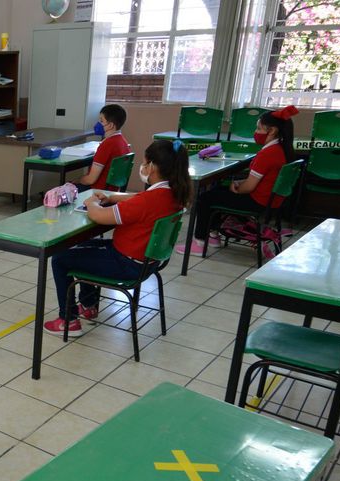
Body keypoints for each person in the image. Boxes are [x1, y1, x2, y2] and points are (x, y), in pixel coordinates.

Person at [44, 140, 191, 338]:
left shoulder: (148, 201)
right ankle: (88, 305)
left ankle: (68, 321)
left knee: (60, 258)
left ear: (153, 167)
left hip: (126, 263)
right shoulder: (173, 194)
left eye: (145, 163)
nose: (143, 167)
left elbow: (98, 216)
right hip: (148, 262)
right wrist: (112, 197)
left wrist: (92, 203)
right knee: (83, 246)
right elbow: (139, 198)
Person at [178, 105, 298, 256]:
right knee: (217, 192)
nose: (256, 133)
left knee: (205, 198)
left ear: (272, 131)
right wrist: (240, 184)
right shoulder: (283, 150)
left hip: (258, 202)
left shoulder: (268, 154)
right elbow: (258, 181)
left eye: (259, 129)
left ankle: (200, 242)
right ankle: (214, 235)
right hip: (273, 201)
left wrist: (236, 187)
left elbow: (248, 187)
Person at [77, 104, 131, 191]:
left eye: (101, 121)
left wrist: (78, 180)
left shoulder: (107, 145)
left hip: (97, 191)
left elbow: (91, 180)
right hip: (112, 190)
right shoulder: (123, 142)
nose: (99, 123)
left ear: (110, 125)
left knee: (61, 190)